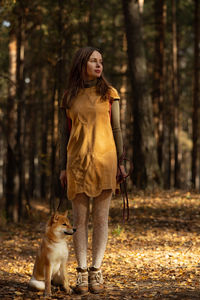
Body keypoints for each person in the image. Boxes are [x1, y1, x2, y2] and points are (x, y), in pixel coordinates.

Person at [59, 46, 127, 295]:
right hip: (76, 163)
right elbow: (63, 135)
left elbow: (117, 129)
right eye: (93, 61)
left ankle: (96, 271)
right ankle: (81, 272)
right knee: (79, 220)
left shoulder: (109, 93)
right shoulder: (68, 97)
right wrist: (61, 167)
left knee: (100, 218)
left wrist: (121, 162)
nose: (99, 65)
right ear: (81, 64)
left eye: (101, 61)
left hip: (105, 161)